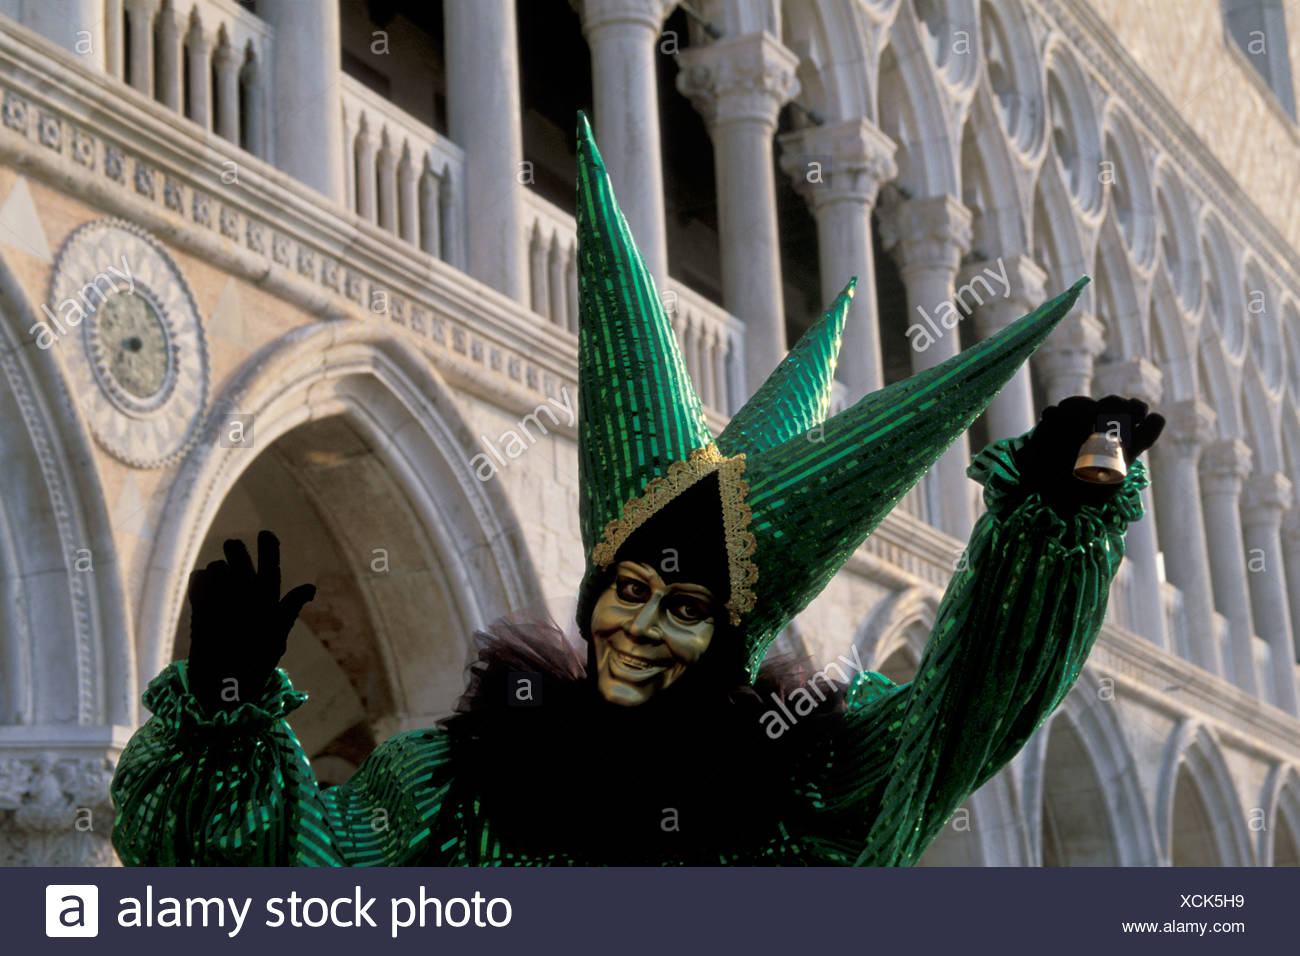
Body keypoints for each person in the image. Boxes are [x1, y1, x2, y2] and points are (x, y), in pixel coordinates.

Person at [110, 114, 1163, 866]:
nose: (642, 624)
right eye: (630, 587)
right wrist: (226, 712)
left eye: (688, 606)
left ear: (738, 633)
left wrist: (1050, 525)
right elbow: (278, 877)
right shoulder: (458, 785)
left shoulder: (811, 791)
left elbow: (970, 703)